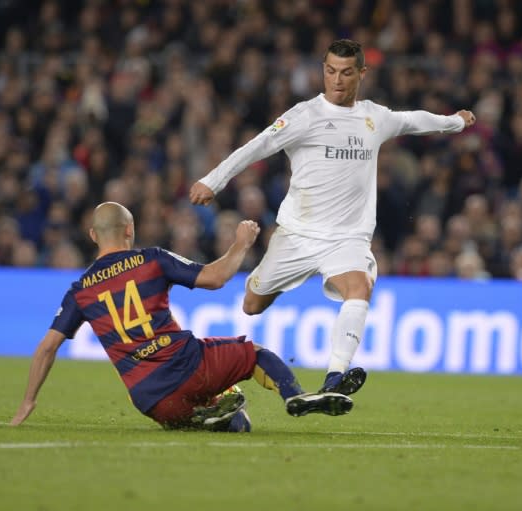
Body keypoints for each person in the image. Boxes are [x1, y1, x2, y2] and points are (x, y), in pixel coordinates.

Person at [189, 39, 476, 394]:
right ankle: (272, 286)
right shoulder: (304, 115)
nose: (337, 80)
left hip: (347, 239)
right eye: (330, 71)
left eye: (345, 73)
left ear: (361, 74)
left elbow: (413, 120)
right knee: (251, 305)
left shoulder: (374, 117)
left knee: (360, 287)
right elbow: (257, 146)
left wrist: (455, 123)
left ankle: (335, 377)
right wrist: (212, 180)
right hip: (297, 234)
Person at [10, 202, 353, 432]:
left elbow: (46, 348)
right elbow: (216, 278)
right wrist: (241, 244)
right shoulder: (151, 260)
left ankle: (216, 414)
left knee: (237, 423)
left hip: (153, 400)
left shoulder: (81, 290)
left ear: (93, 236)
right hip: (190, 367)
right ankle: (292, 394)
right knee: (256, 354)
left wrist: (28, 400)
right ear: (129, 231)